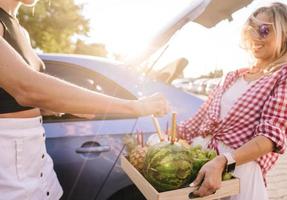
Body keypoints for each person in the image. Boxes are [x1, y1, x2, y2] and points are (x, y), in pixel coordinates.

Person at [0, 0, 169, 199]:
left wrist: (58, 107)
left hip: (42, 176)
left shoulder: (22, 31)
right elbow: (26, 87)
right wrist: (133, 106)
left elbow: (16, 101)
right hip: (9, 182)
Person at [177, 2, 287, 200]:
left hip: (238, 173)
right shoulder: (231, 76)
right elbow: (196, 123)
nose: (255, 37)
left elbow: (271, 136)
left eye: (264, 30)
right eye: (250, 30)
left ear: (285, 33)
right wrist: (163, 138)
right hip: (202, 168)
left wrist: (224, 161)